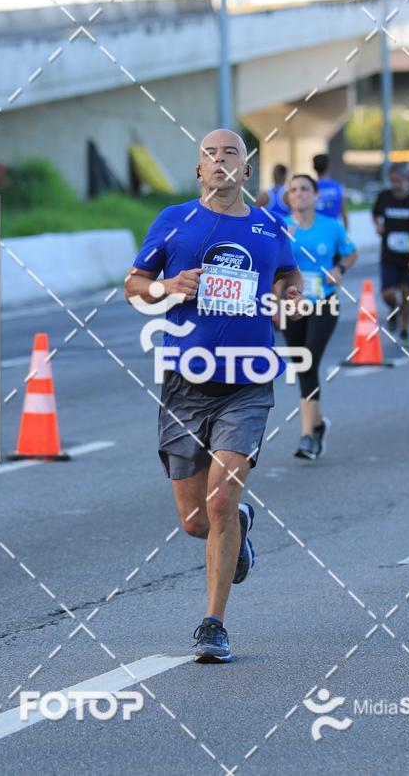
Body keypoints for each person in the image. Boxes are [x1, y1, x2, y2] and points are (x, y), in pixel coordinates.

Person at [124, 129, 302, 663]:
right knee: (196, 521)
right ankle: (239, 530)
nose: (220, 161)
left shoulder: (270, 225)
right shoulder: (173, 220)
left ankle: (213, 625)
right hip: (185, 381)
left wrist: (289, 298)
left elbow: (289, 276)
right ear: (198, 171)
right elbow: (134, 285)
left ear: (246, 172)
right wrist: (170, 286)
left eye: (231, 154)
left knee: (222, 499)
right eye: (210, 155)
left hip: (247, 380)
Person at [282, 174, 357, 459]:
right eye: (293, 190)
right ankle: (317, 424)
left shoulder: (332, 226)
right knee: (303, 365)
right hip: (292, 305)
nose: (299, 194)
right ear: (288, 197)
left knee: (307, 360)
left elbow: (351, 253)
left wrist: (339, 269)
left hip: (324, 303)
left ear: (315, 196)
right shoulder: (282, 228)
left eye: (304, 189)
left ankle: (307, 435)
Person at [372, 164, 409, 342]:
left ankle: (404, 328)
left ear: (407, 179)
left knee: (407, 293)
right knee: (387, 293)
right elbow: (375, 213)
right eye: (392, 181)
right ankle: (394, 309)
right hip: (389, 256)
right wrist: (377, 225)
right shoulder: (384, 197)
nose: (396, 185)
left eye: (399, 181)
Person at [312, 153, 349, 228]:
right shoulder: (339, 187)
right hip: (333, 230)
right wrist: (345, 234)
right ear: (329, 167)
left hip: (315, 230)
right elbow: (344, 214)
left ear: (314, 167)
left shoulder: (310, 188)